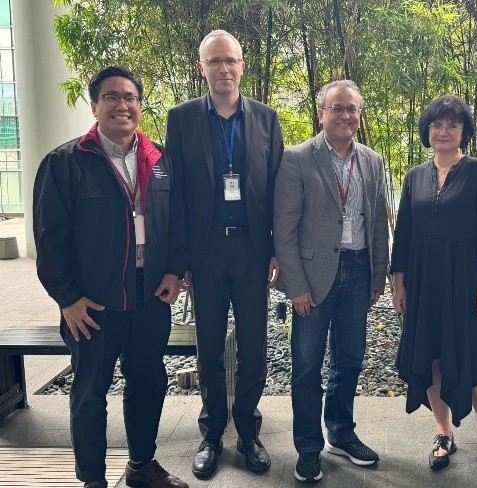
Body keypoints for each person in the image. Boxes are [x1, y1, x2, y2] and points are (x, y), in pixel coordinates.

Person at [33, 66, 188, 488]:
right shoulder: (66, 162)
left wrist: (175, 270)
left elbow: (177, 223)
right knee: (89, 395)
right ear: (95, 104)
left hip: (149, 297)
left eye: (130, 97)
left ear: (140, 104)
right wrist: (67, 298)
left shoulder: (160, 159)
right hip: (93, 303)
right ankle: (93, 480)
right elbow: (50, 239)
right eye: (112, 97)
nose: (123, 105)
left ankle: (141, 466)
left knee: (148, 382)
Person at [165, 30, 283, 478]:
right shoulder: (182, 119)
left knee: (254, 346)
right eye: (214, 62)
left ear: (242, 65)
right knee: (209, 346)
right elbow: (174, 196)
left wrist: (273, 250)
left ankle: (249, 433)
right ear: (202, 68)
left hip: (252, 251)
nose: (223, 69)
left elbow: (274, 188)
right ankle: (212, 434)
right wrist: (181, 260)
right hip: (206, 251)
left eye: (230, 60)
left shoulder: (266, 119)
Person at [274, 80, 389, 483]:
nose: (345, 116)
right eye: (337, 108)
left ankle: (341, 432)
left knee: (350, 358)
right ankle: (308, 448)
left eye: (352, 109)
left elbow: (378, 222)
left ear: (360, 114)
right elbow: (283, 230)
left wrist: (379, 275)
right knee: (306, 365)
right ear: (321, 113)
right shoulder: (297, 159)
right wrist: (296, 286)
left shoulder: (372, 161)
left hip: (358, 270)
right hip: (313, 275)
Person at [390, 95, 477, 480]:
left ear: (464, 132)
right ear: (427, 131)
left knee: (474, 361)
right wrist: (399, 282)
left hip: (467, 284)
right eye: (437, 125)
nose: (444, 132)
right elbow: (403, 233)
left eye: (453, 125)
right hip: (424, 284)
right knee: (432, 357)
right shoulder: (414, 177)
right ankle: (444, 433)